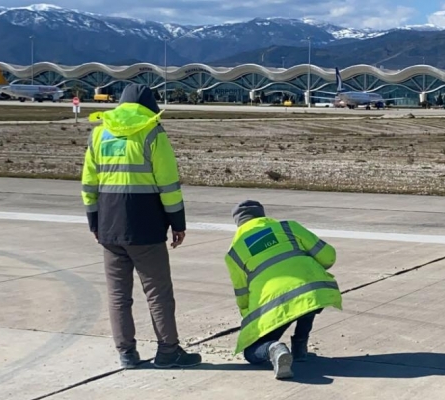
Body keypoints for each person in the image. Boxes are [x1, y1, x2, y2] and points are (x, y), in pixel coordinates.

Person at [80, 83, 201, 369]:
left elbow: (89, 184)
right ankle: (168, 351)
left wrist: (94, 221)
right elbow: (169, 186)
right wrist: (178, 223)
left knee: (118, 295)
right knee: (158, 292)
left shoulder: (99, 133)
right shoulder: (153, 133)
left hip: (109, 226)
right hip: (145, 227)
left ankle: (126, 353)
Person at [224, 200, 342, 379]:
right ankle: (300, 347)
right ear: (262, 215)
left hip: (274, 305)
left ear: (238, 223)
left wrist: (251, 321)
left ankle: (274, 348)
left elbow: (242, 293)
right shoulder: (289, 227)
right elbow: (328, 256)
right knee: (306, 297)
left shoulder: (234, 252)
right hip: (313, 291)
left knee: (251, 352)